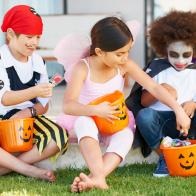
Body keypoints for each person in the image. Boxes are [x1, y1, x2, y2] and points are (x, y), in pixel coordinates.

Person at [54, 17, 190, 192]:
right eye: (119, 54)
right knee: (84, 122)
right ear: (100, 52)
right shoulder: (83, 68)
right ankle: (99, 178)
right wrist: (95, 110)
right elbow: (68, 105)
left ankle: (96, 178)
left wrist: (178, 109)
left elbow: (154, 87)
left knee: (125, 136)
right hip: (89, 117)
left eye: (128, 51)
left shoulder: (124, 65)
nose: (125, 58)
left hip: (115, 121)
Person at [0, 5, 68, 181]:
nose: (34, 43)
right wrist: (35, 90)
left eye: (38, 37)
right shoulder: (1, 59)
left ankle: (9, 167)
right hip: (2, 120)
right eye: (29, 37)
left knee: (59, 135)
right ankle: (28, 169)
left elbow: (44, 105)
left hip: (28, 120)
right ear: (10, 34)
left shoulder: (38, 61)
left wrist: (29, 112)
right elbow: (5, 98)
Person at [127, 11, 196, 177]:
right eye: (174, 55)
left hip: (190, 124)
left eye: (186, 55)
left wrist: (193, 104)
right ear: (165, 49)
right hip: (160, 122)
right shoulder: (157, 67)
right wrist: (161, 90)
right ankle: (165, 157)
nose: (180, 61)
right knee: (145, 116)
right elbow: (142, 102)